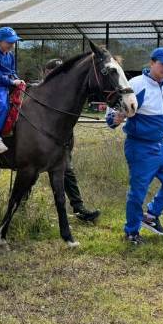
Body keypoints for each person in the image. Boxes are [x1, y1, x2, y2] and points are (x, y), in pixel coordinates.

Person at [106, 47, 163, 246]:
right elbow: (114, 108)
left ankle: (150, 216)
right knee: (138, 191)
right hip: (139, 146)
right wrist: (114, 118)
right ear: (152, 63)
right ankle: (131, 232)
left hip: (160, 146)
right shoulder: (137, 85)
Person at [42, 58, 100, 223]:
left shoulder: (69, 91)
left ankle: (79, 208)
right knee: (29, 174)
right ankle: (22, 206)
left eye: (60, 71)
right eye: (53, 71)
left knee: (67, 171)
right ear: (46, 73)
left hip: (62, 139)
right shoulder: (39, 90)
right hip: (41, 140)